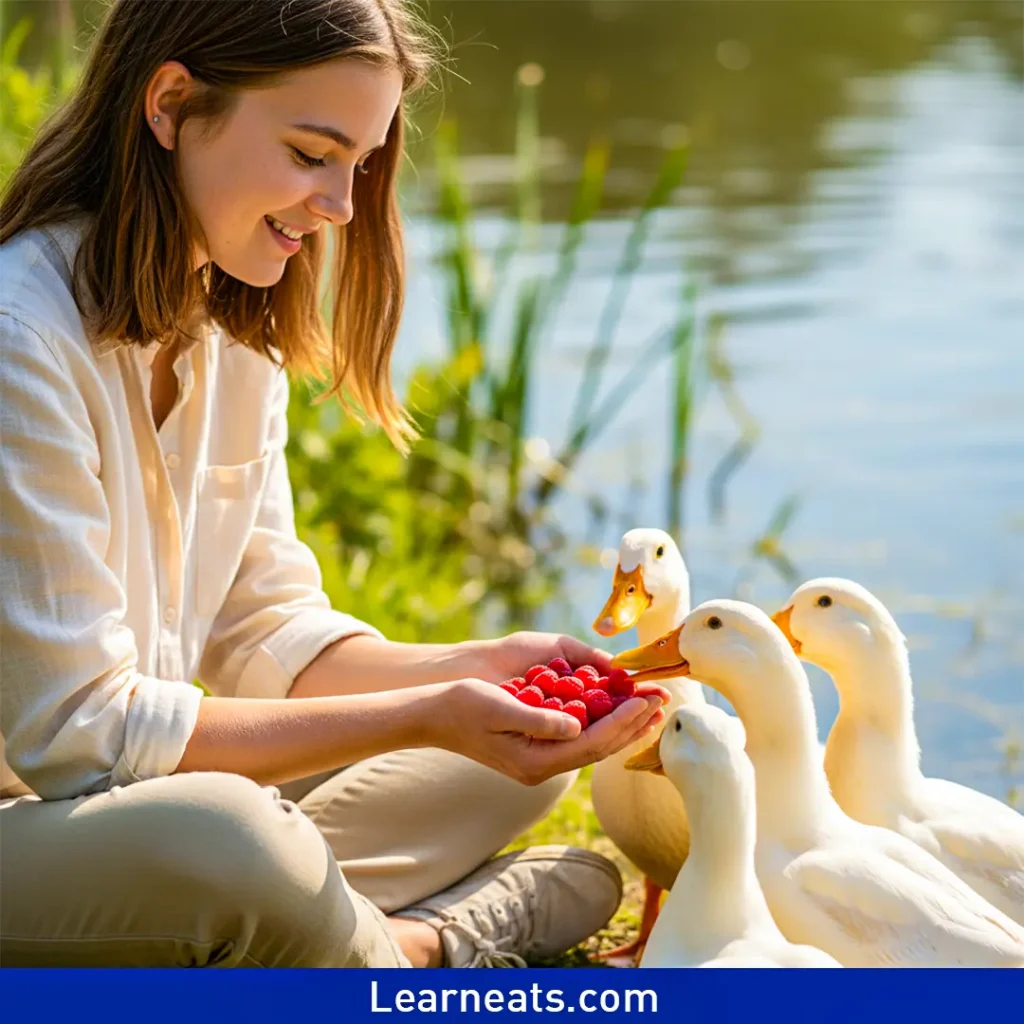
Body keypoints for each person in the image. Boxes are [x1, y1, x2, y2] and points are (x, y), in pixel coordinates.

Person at [0, 0, 667, 968]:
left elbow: (267, 632)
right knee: (232, 837)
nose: (343, 207)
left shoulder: (229, 327)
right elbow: (78, 733)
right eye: (314, 154)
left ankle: (293, 926)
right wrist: (418, 712)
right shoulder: (21, 338)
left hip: (111, 817)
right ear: (174, 103)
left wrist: (472, 672)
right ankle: (416, 948)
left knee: (510, 756)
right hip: (29, 820)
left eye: (359, 164)